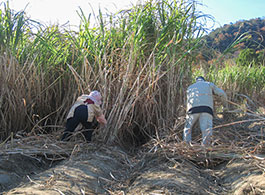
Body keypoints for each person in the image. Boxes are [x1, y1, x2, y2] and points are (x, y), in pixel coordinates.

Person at [183, 76, 228, 146]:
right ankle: (205, 149)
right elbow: (222, 93)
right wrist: (225, 105)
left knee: (187, 128)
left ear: (196, 81)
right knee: (206, 130)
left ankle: (186, 146)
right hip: (206, 109)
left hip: (192, 110)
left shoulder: (190, 87)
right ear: (204, 80)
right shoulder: (209, 84)